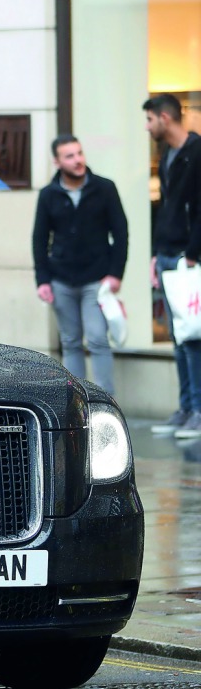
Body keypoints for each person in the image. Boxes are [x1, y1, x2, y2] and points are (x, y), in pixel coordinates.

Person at [32, 134, 128, 397]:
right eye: (70, 156)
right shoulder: (48, 195)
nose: (77, 160)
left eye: (79, 153)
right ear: (57, 162)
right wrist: (43, 280)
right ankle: (78, 403)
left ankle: (105, 400)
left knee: (97, 338)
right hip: (61, 279)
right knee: (71, 341)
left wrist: (115, 274)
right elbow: (40, 239)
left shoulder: (104, 188)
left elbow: (121, 233)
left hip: (96, 279)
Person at [146, 93, 201, 435]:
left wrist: (192, 253)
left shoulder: (196, 153)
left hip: (187, 257)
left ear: (164, 118)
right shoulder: (167, 155)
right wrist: (156, 253)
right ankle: (185, 407)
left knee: (192, 334)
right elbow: (166, 209)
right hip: (168, 254)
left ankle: (198, 409)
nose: (147, 127)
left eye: (149, 120)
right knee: (177, 335)